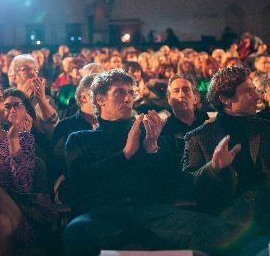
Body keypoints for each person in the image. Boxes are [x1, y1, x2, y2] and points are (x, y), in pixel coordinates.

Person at [62, 69, 245, 256]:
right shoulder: (80, 140)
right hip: (102, 215)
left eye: (130, 93)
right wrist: (125, 154)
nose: (127, 99)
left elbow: (175, 183)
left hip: (152, 214)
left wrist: (152, 150)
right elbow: (81, 183)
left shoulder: (152, 135)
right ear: (100, 99)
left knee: (218, 230)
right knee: (75, 233)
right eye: (119, 92)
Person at [182, 67, 270, 242]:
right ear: (225, 99)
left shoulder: (265, 128)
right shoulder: (197, 137)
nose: (257, 97)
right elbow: (188, 184)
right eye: (248, 91)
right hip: (227, 215)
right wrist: (213, 167)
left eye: (254, 90)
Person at [0, 81, 54, 255]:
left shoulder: (24, 138)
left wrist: (13, 140)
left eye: (0, 100)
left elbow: (24, 187)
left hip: (21, 214)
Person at [160, 75, 209, 164]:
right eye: (176, 91)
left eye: (186, 90)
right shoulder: (165, 129)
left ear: (195, 98)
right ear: (169, 100)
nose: (181, 95)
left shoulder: (206, 122)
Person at [8, 54, 59, 139]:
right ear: (14, 77)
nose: (32, 73)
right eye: (26, 69)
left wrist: (42, 99)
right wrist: (23, 97)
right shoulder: (7, 99)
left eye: (34, 70)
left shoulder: (47, 99)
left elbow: (55, 125)